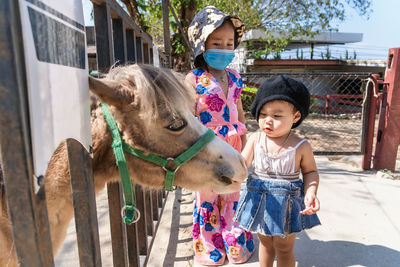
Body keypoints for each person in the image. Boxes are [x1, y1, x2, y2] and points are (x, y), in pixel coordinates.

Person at [186, 6, 254, 265]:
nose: (224, 49)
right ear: (201, 44)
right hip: (207, 148)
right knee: (207, 195)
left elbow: (239, 112)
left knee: (233, 192)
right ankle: (208, 244)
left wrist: (245, 141)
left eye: (229, 43)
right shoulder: (192, 80)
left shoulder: (236, 78)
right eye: (217, 42)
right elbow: (188, 117)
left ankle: (234, 241)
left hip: (234, 144)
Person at [233, 75, 321, 267]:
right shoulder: (256, 139)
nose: (267, 121)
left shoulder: (300, 146)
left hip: (287, 205)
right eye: (262, 114)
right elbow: (241, 165)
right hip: (259, 202)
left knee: (283, 247)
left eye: (276, 116)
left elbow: (310, 172)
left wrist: (311, 191)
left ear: (296, 117)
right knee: (265, 243)